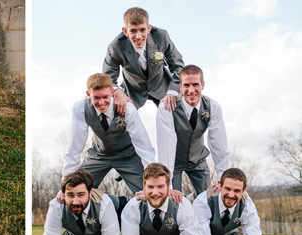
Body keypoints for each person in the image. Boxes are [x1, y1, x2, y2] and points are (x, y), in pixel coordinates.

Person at [60, 73, 155, 197]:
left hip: (128, 155)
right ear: (88, 94)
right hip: (99, 155)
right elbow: (75, 147)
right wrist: (65, 185)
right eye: (96, 98)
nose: (101, 102)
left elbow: (144, 146)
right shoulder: (80, 108)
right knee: (74, 191)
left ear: (112, 93)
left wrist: (153, 178)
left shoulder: (128, 109)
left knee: (151, 193)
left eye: (105, 97)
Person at [156, 65, 229, 195]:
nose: (191, 90)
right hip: (174, 162)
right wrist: (167, 182)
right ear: (180, 86)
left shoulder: (212, 106)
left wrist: (222, 178)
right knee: (173, 200)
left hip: (198, 159)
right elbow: (166, 146)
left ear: (203, 85)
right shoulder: (166, 108)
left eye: (195, 85)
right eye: (186, 85)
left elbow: (218, 142)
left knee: (209, 198)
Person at [103, 7, 184, 114]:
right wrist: (117, 92)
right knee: (116, 115)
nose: (138, 36)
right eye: (133, 31)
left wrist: (172, 92)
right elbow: (107, 78)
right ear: (125, 31)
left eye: (142, 30)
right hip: (132, 89)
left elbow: (178, 67)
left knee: (179, 116)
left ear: (149, 29)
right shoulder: (115, 47)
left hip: (162, 86)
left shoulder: (161, 36)